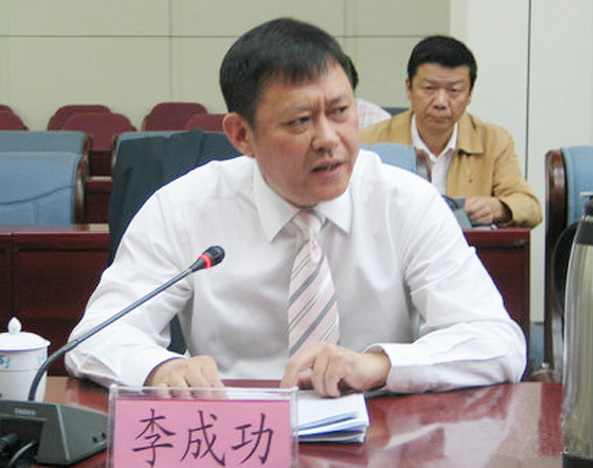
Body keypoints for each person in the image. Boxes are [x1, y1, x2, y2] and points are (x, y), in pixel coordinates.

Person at [65, 18, 526, 398]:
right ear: (241, 135)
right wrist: (158, 368)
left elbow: (496, 340)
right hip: (232, 434)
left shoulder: (406, 202)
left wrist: (381, 364)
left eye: (341, 112)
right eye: (301, 121)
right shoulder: (184, 208)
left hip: (381, 433)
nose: (328, 139)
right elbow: (96, 337)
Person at [360, 35, 542, 228]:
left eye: (454, 91)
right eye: (429, 88)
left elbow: (530, 207)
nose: (440, 102)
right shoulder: (369, 142)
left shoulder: (494, 141)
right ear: (409, 89)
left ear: (469, 94)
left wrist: (497, 207)